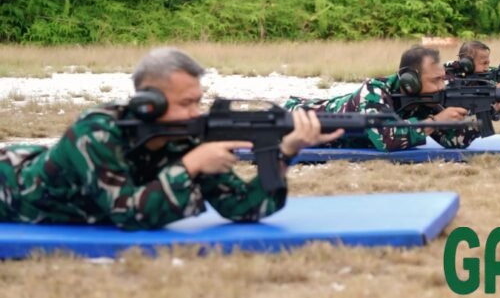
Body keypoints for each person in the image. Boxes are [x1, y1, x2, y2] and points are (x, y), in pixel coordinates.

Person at [0, 47, 341, 230]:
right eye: (186, 103)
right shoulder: (96, 133)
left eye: (198, 101)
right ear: (148, 104)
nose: (196, 112)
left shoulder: (185, 137)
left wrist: (285, 153)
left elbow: (244, 208)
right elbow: (128, 214)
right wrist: (191, 165)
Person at [285, 45, 500, 151]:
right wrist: (436, 121)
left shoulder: (426, 101)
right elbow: (386, 139)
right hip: (297, 119)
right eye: (435, 80)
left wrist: (498, 108)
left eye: (442, 79)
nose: (441, 85)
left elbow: (455, 141)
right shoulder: (374, 90)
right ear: (410, 81)